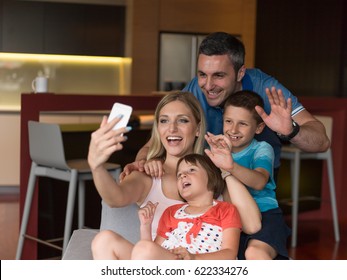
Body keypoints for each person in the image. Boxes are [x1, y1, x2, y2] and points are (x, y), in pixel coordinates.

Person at [123, 32, 330, 181]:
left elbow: (321, 141)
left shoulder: (267, 89)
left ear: (240, 73)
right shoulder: (195, 89)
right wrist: (141, 161)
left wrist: (290, 131)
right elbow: (155, 142)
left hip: (256, 184)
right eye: (202, 74)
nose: (208, 85)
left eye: (219, 76)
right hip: (207, 180)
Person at [89, 91, 260, 259]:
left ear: (198, 129)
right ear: (158, 128)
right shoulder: (149, 173)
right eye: (164, 121)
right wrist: (97, 167)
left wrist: (226, 169)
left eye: (183, 120)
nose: (172, 128)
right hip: (158, 261)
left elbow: (252, 225)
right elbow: (114, 198)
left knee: (145, 252)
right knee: (104, 241)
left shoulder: (212, 174)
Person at [205, 90, 291, 260]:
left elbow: (259, 181)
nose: (233, 129)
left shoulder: (261, 149)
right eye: (228, 121)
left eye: (242, 124)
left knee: (254, 253)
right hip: (231, 218)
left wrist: (230, 166)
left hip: (266, 215)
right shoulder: (216, 149)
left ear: (259, 127)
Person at [130, 154, 241, 260]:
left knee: (143, 249)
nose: (183, 175)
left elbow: (230, 253)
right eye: (179, 175)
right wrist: (145, 226)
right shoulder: (171, 212)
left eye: (191, 170)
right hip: (168, 266)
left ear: (211, 176)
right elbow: (152, 255)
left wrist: (193, 258)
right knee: (113, 240)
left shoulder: (226, 209)